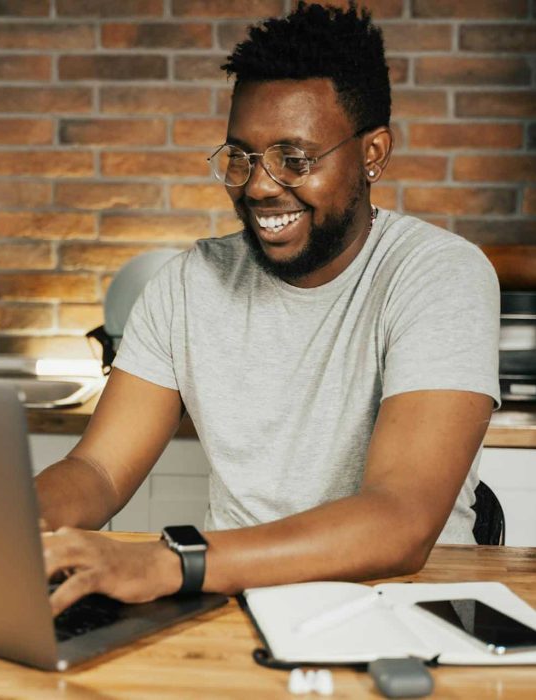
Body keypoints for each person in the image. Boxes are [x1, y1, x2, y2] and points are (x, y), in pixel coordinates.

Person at [36, 1, 499, 616]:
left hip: (404, 609)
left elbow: (401, 521)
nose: (257, 186)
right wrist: (5, 522)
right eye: (242, 157)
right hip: (230, 603)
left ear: (373, 154)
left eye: (294, 159)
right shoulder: (187, 285)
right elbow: (96, 469)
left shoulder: (438, 275)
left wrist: (171, 562)